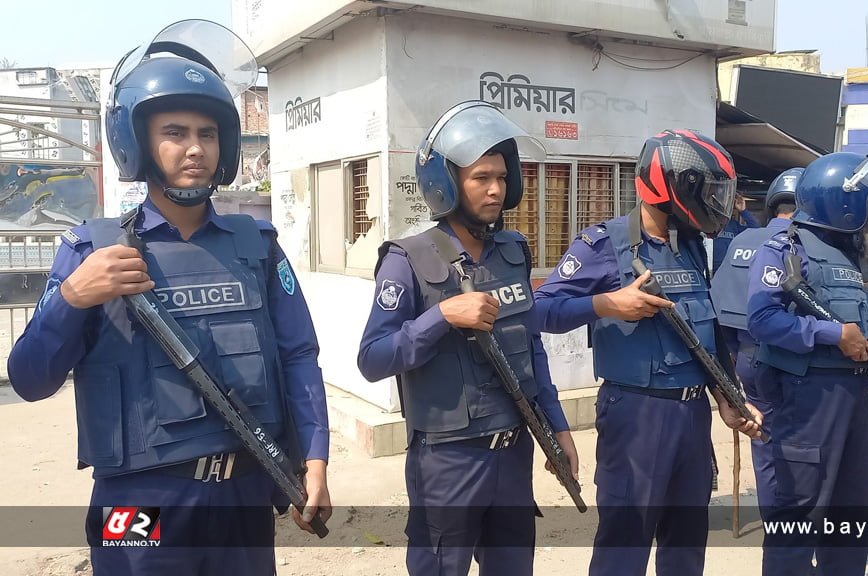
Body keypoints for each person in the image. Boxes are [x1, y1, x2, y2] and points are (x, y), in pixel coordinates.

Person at [6, 20, 331, 576]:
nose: (195, 149)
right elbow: (29, 380)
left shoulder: (258, 248)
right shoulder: (90, 249)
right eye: (175, 132)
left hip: (243, 495)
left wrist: (317, 459)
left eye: (208, 134)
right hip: (137, 505)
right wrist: (73, 297)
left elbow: (299, 356)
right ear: (139, 142)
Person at [356, 100, 578, 576]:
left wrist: (557, 428)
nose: (495, 189)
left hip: (514, 453)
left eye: (501, 177)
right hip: (447, 462)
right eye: (481, 178)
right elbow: (373, 359)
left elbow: (532, 346)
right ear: (447, 183)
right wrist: (441, 316)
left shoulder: (513, 251)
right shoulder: (406, 259)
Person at [533, 129, 762, 576]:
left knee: (686, 545)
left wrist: (726, 399)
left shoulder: (692, 247)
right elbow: (539, 311)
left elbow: (706, 334)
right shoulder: (603, 244)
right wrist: (605, 303)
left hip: (691, 417)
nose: (714, 203)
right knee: (625, 544)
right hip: (636, 413)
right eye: (707, 191)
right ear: (672, 187)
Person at [747, 151, 868, 576]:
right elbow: (763, 319)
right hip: (806, 398)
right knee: (801, 513)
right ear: (841, 202)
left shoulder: (850, 256)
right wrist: (831, 334)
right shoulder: (785, 249)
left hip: (853, 394)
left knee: (850, 512)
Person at [710, 166, 802, 516]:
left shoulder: (744, 240)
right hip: (795, 364)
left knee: (764, 442)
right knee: (802, 449)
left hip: (749, 361)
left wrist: (730, 365)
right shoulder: (806, 242)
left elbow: (720, 313)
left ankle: (774, 524)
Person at [712, 193, 760, 273]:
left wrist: (743, 211)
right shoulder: (704, 223)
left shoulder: (732, 225)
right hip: (708, 269)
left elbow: (756, 230)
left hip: (728, 269)